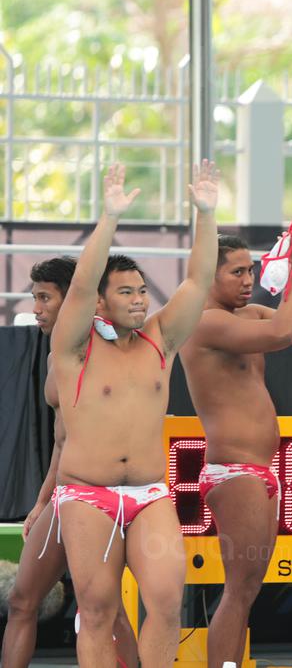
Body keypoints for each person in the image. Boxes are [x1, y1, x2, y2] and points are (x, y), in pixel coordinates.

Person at [48, 161, 217, 668]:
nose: (140, 300)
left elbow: (199, 280)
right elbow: (81, 285)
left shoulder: (160, 340)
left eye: (143, 290)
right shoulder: (74, 347)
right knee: (98, 611)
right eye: (126, 292)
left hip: (149, 494)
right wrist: (109, 218)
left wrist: (206, 215)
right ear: (100, 304)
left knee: (165, 600)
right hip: (87, 495)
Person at [180, 215, 292, 668]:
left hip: (261, 470)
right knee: (239, 589)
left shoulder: (247, 316)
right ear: (209, 275)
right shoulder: (203, 323)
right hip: (234, 471)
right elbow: (282, 332)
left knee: (248, 590)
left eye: (251, 270)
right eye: (237, 272)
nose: (249, 280)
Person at [2, 257, 138, 668]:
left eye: (45, 298)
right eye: (34, 298)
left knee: (106, 610)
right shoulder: (54, 358)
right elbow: (63, 441)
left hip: (97, 500)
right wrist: (44, 500)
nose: (36, 309)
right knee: (23, 600)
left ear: (75, 300)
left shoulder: (108, 352)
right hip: (64, 495)